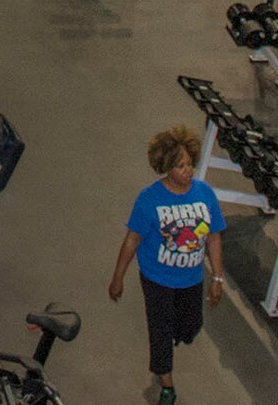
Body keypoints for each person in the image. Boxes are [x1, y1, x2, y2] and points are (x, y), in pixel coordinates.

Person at [108, 125, 226, 405]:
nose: (188, 171)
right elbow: (132, 240)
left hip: (190, 280)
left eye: (189, 164)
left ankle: (174, 338)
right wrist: (118, 277)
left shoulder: (204, 194)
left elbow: (213, 238)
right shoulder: (149, 200)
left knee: (190, 327)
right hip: (157, 278)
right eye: (180, 166)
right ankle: (167, 385)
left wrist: (218, 279)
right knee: (160, 332)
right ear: (165, 167)